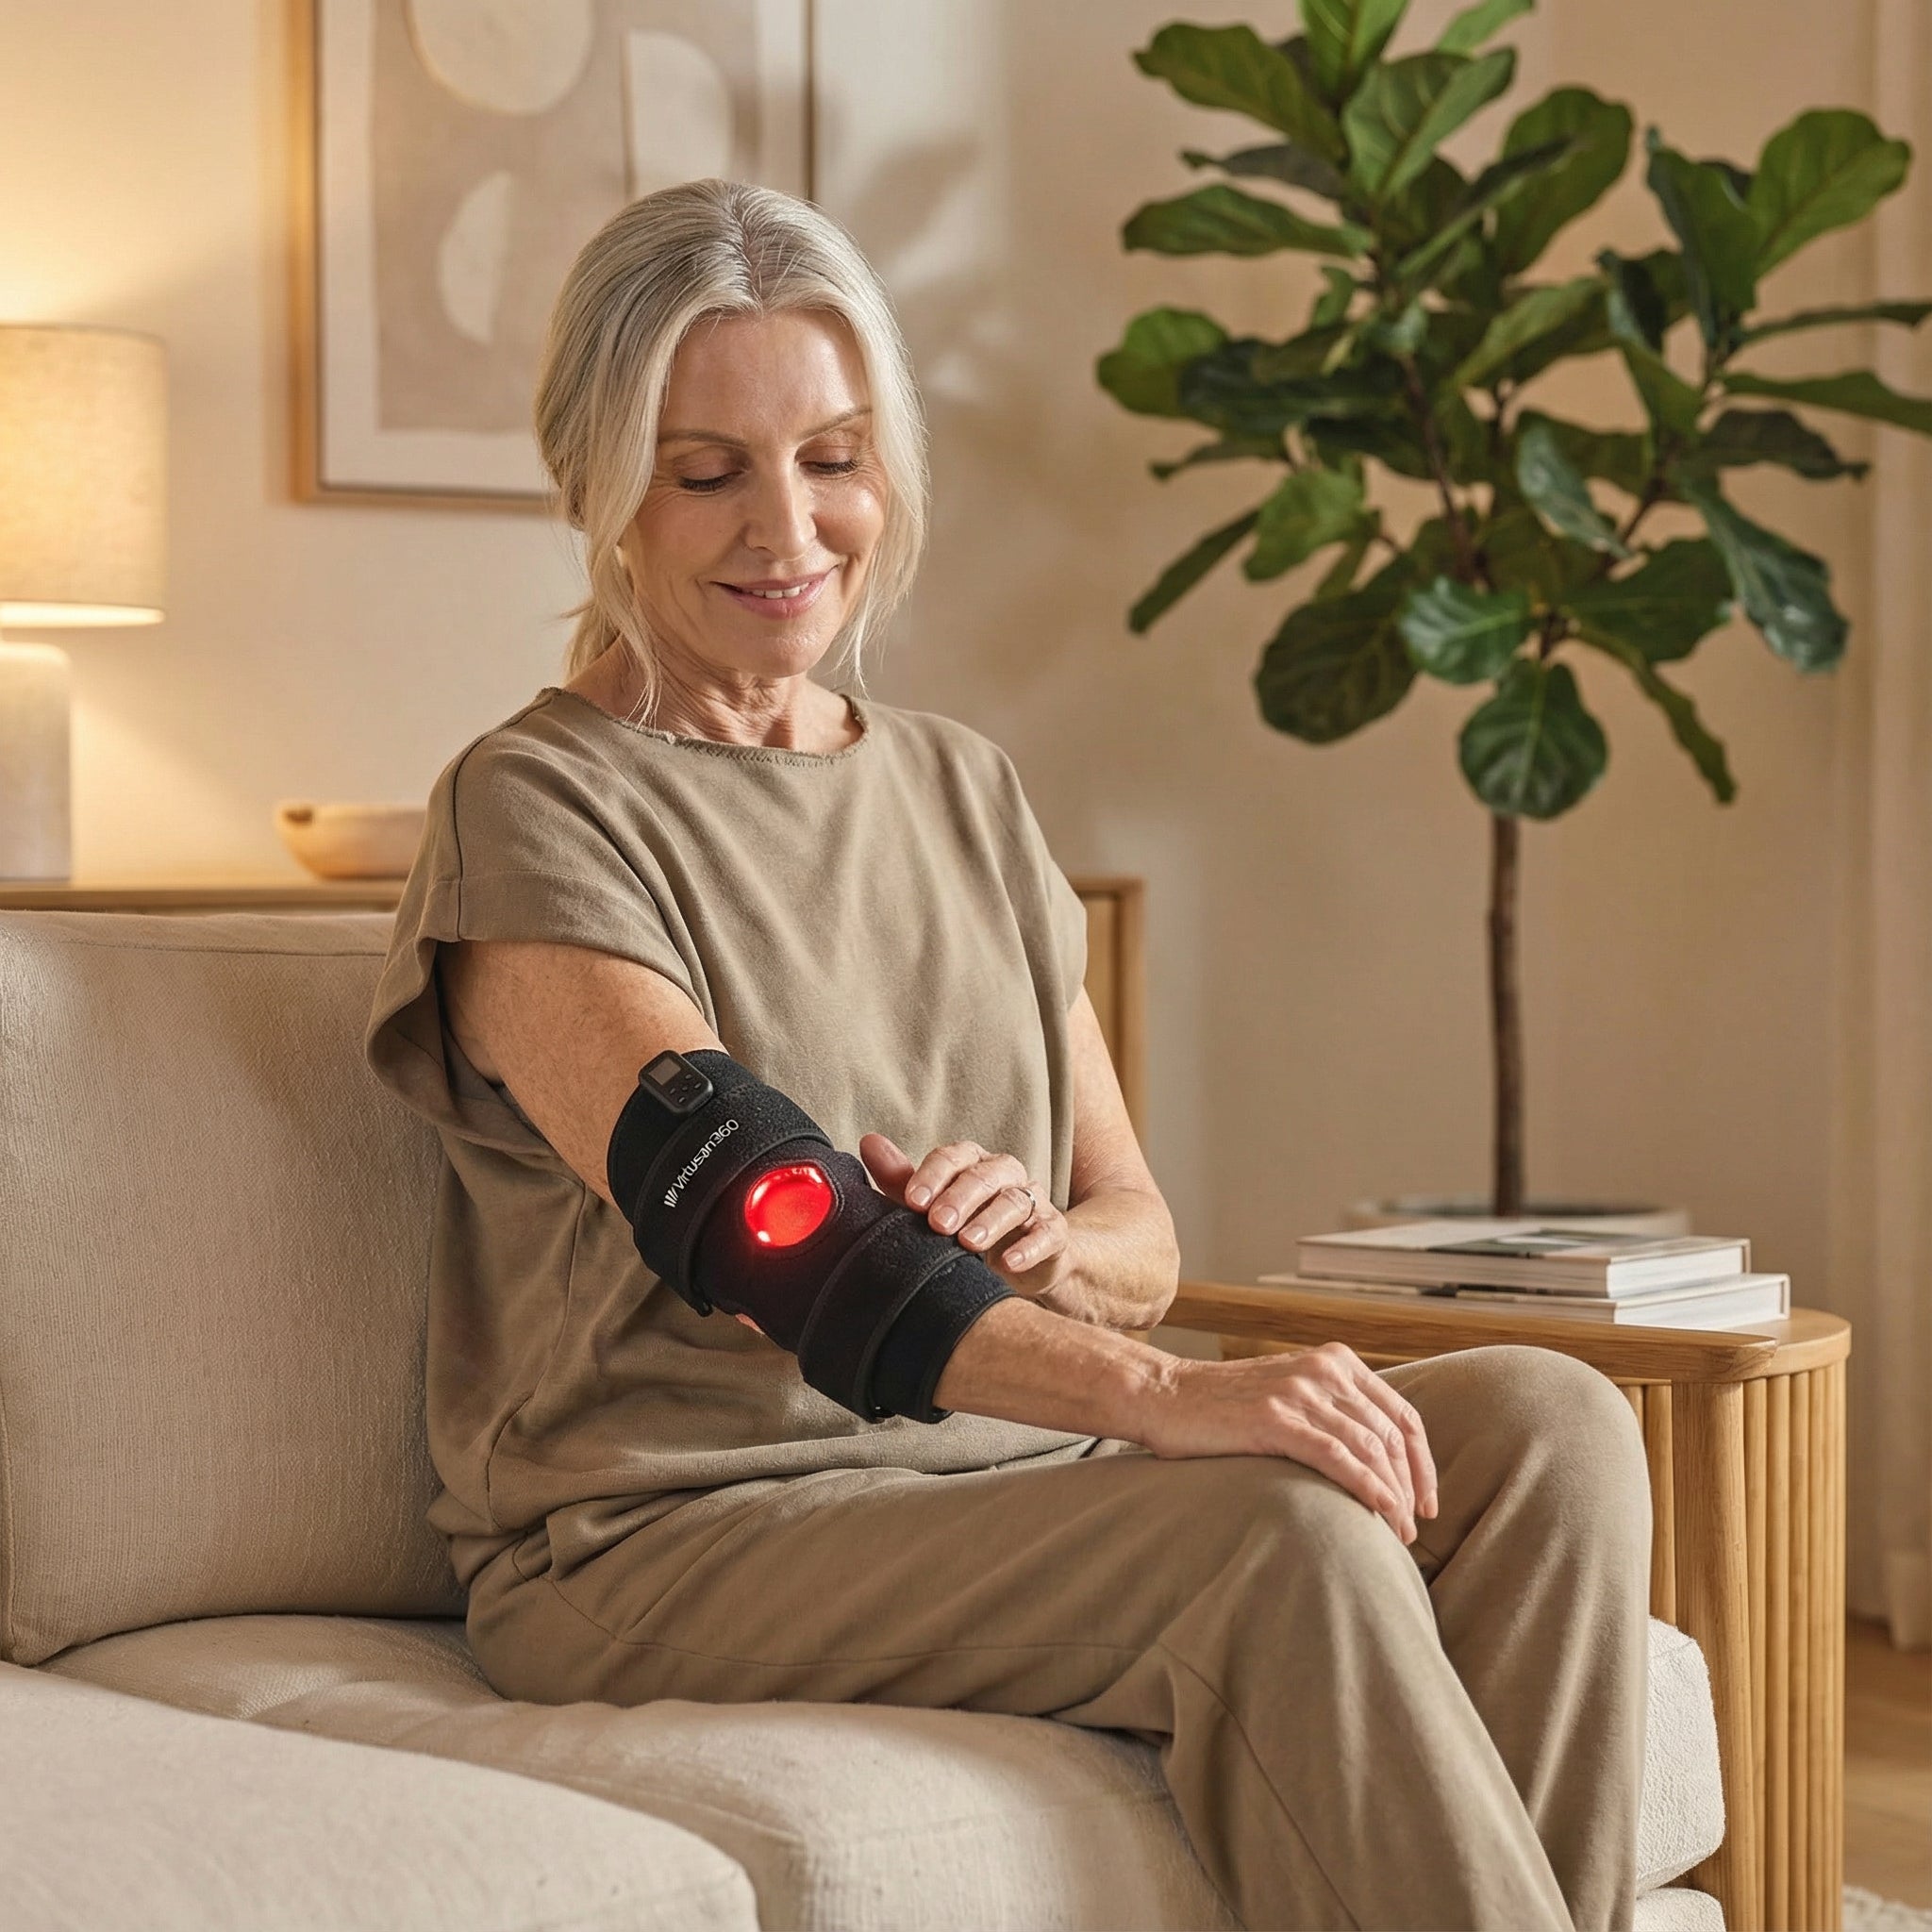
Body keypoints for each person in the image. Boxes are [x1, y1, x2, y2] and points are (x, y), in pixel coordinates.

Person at [363, 177, 1652, 1932]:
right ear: (602, 486)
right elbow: (765, 1224)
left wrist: (1050, 1256)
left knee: (1555, 1427)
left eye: (833, 455)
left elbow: (1139, 1235)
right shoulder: (536, 807)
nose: (789, 526)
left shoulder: (964, 788)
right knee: (1277, 1543)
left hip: (999, 1480)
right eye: (707, 468)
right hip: (663, 1534)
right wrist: (1165, 1397)